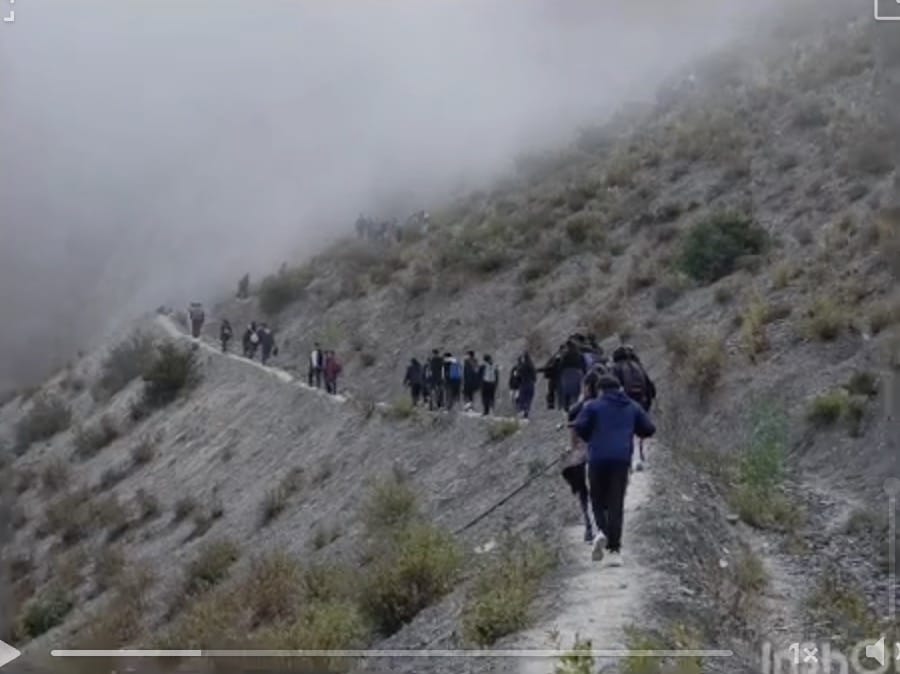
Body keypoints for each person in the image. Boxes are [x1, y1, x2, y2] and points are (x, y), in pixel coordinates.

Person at [572, 374, 656, 566]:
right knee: (615, 503)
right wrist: (632, 430)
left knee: (597, 499)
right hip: (621, 460)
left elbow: (580, 427)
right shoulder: (632, 406)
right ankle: (615, 550)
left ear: (600, 390)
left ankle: (601, 531)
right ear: (620, 388)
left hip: (597, 458)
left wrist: (591, 437)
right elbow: (649, 429)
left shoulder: (593, 406)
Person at [562, 376, 601, 543]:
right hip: (602, 456)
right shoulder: (605, 407)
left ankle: (589, 527)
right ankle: (601, 527)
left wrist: (572, 451)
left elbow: (573, 440)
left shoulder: (576, 410)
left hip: (581, 458)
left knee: (583, 493)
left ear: (585, 388)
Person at [611, 345, 657, 469]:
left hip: (625, 403)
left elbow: (612, 388)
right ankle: (642, 456)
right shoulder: (639, 366)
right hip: (642, 402)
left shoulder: (616, 368)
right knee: (640, 431)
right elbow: (651, 388)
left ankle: (630, 459)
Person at [559, 340, 587, 413]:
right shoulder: (579, 354)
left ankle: (567, 407)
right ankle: (579, 406)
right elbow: (584, 365)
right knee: (578, 390)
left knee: (567, 391)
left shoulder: (565, 355)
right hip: (577, 372)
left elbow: (561, 366)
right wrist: (584, 373)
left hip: (566, 374)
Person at [516, 353, 537, 420]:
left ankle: (522, 411)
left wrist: (519, 363)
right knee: (528, 399)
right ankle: (526, 411)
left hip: (524, 384)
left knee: (522, 398)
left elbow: (518, 375)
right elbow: (534, 377)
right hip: (531, 384)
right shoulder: (532, 366)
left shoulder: (522, 367)